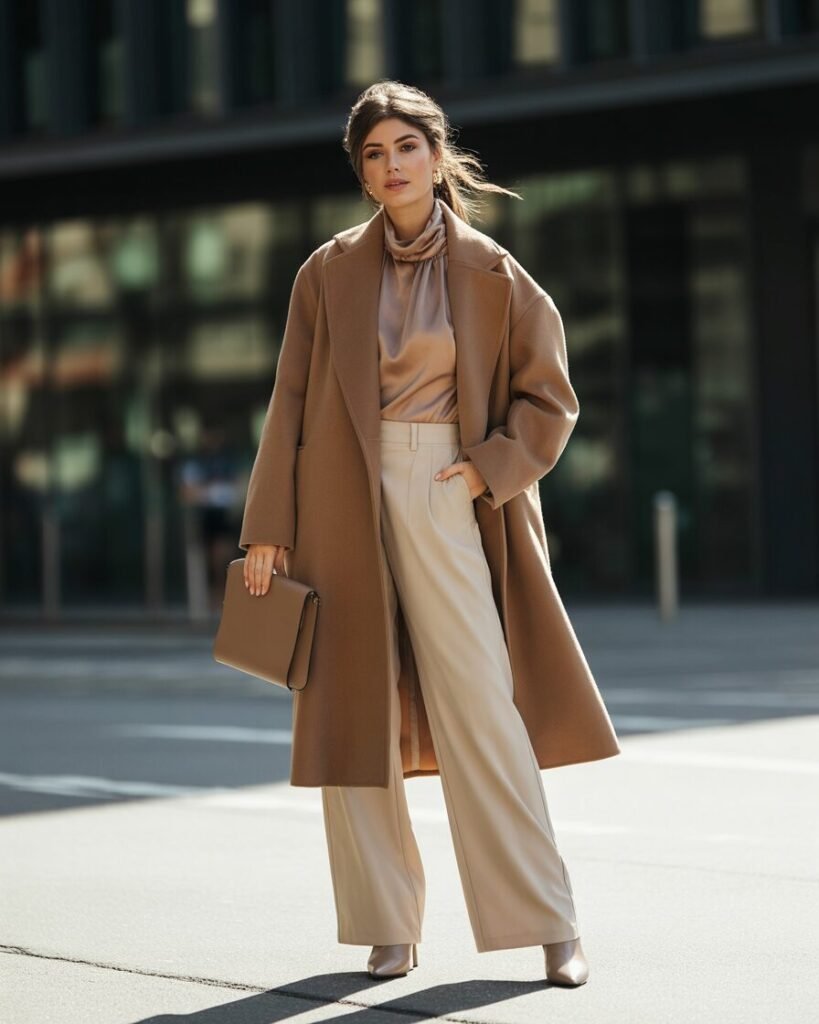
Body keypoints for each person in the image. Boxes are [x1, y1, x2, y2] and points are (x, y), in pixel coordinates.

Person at [239, 81, 620, 986]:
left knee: (482, 708)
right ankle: (387, 925)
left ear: (437, 155)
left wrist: (487, 467)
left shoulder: (493, 269)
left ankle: (547, 921)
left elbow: (549, 397)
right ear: (362, 173)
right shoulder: (325, 271)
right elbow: (288, 400)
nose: (390, 165)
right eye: (372, 153)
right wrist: (269, 527)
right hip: (339, 493)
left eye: (405, 146)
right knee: (350, 710)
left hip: (450, 489)